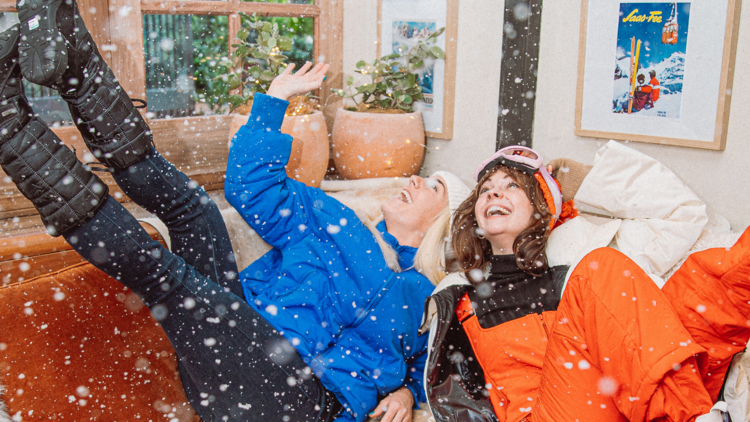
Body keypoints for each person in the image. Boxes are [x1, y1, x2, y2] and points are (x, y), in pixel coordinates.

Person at [0, 2, 471, 420]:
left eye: (433, 185)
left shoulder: (431, 296)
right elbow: (250, 189)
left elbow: (438, 365)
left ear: (444, 223)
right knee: (193, 210)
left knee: (168, 277)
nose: (414, 180)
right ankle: (76, 62)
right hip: (244, 338)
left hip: (299, 400)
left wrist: (408, 392)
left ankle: (11, 127)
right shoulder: (339, 219)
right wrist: (272, 104)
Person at [422, 145, 750, 422]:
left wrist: (583, 180)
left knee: (716, 272)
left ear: (542, 208)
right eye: (485, 189)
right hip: (544, 414)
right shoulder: (459, 293)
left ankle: (682, 409)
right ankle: (685, 412)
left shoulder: (579, 255)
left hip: (623, 400)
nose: (494, 191)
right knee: (600, 266)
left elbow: (682, 214)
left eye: (512, 186)